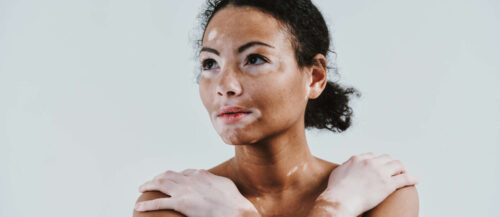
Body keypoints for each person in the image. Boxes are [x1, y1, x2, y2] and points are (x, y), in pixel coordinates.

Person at [133, 0, 420, 216]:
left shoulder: (380, 193)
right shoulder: (170, 202)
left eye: (255, 59)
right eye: (210, 64)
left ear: (315, 77)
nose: (225, 85)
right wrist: (335, 209)